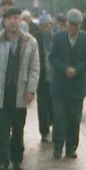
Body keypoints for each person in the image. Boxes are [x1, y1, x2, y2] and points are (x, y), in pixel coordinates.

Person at [0, 7, 40, 170]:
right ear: (4, 21)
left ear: (20, 21)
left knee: (18, 128)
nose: (14, 21)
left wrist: (31, 90)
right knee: (1, 128)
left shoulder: (30, 42)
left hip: (20, 91)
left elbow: (35, 68)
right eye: (10, 18)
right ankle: (2, 160)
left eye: (17, 18)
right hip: (1, 90)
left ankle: (17, 158)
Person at [50, 8, 86, 160]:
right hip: (60, 86)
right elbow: (52, 58)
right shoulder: (57, 38)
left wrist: (77, 70)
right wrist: (65, 69)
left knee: (75, 119)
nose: (73, 27)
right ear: (66, 23)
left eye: (76, 25)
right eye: (71, 24)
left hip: (77, 87)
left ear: (80, 25)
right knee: (59, 117)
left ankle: (71, 148)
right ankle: (57, 147)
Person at [33, 13, 55, 142]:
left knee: (54, 104)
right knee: (42, 106)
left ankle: (52, 124)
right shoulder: (35, 40)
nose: (45, 28)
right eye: (42, 26)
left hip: (55, 79)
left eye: (47, 25)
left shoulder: (57, 38)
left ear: (51, 25)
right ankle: (44, 131)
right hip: (41, 79)